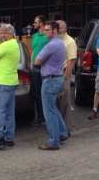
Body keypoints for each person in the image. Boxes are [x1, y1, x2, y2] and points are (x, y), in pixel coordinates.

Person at [34, 21, 68, 150]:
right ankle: (62, 133)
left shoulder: (51, 45)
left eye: (48, 30)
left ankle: (54, 141)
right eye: (45, 29)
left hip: (50, 80)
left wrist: (41, 61)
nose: (45, 32)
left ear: (54, 31)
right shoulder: (60, 43)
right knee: (53, 109)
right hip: (57, 77)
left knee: (49, 112)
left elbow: (37, 60)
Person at [56, 20, 77, 136]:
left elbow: (71, 61)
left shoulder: (70, 42)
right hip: (55, 74)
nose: (59, 29)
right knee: (57, 103)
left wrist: (65, 78)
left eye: (61, 27)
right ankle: (60, 128)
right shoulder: (55, 40)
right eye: (57, 27)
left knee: (64, 103)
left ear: (65, 28)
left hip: (64, 74)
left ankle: (66, 129)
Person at [31, 15, 49, 125]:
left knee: (45, 93)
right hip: (35, 68)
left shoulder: (47, 37)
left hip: (44, 67)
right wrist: (30, 64)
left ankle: (47, 116)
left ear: (41, 23)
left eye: (36, 22)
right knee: (37, 93)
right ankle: (40, 117)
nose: (34, 24)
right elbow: (33, 51)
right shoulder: (34, 36)